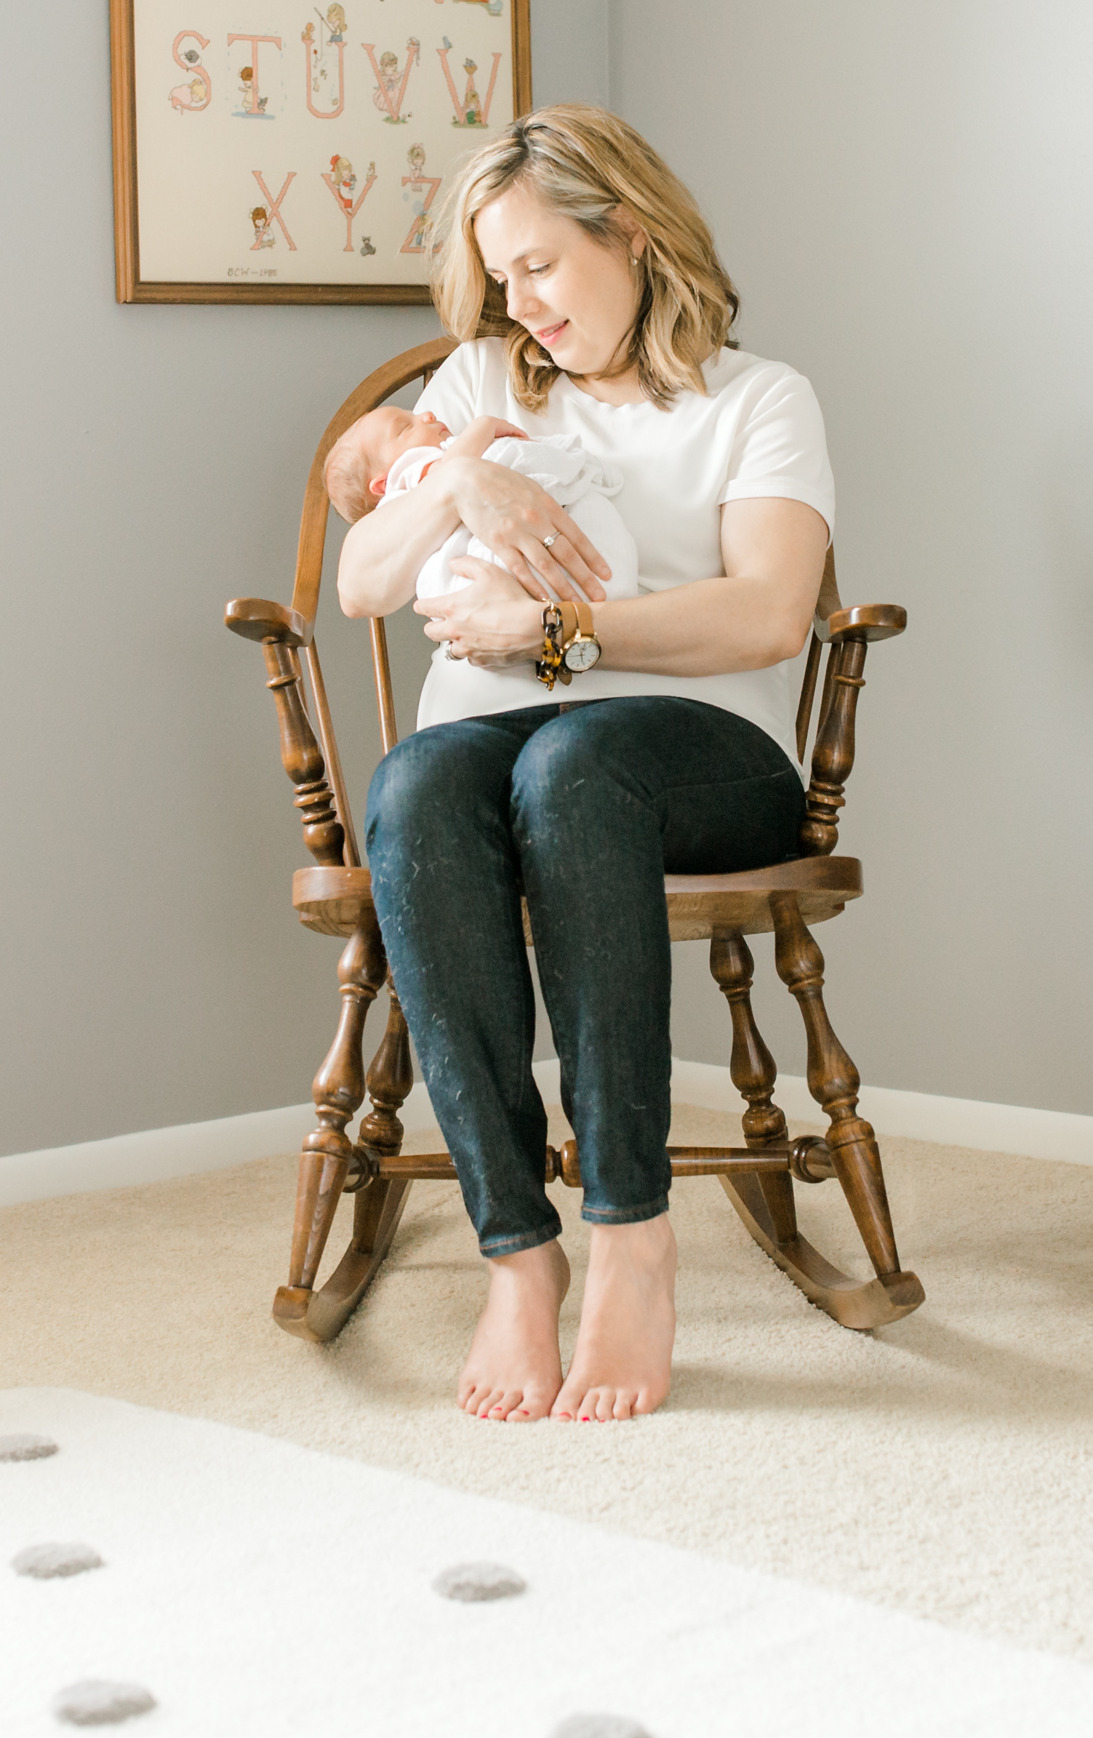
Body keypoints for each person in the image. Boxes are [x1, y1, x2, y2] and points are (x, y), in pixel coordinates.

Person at [334, 105, 833, 1423]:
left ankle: (630, 1236)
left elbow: (768, 612)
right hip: (492, 746)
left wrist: (556, 631)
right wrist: (461, 485)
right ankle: (517, 1251)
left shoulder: (757, 400)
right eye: (501, 277)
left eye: (540, 264)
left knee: (573, 761)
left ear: (632, 231)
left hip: (699, 755)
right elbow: (362, 581)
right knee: (415, 785)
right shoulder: (477, 386)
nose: (521, 304)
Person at [325, 406, 642, 608]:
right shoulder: (407, 477)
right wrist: (483, 426)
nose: (427, 415)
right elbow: (447, 472)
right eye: (405, 427)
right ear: (382, 485)